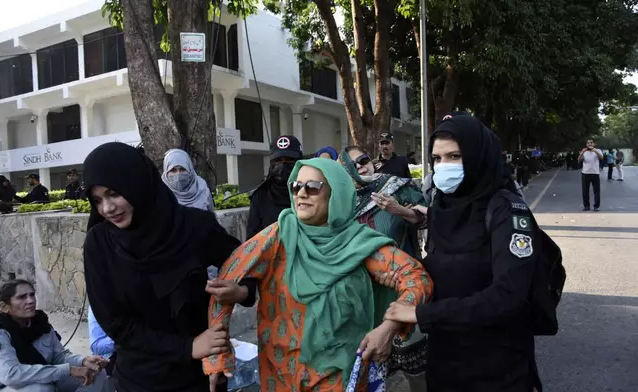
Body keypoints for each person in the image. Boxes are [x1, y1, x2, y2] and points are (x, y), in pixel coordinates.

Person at [203, 158, 433, 392]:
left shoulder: (359, 244)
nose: (301, 193)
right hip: (279, 375)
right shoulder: (278, 236)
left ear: (336, 193)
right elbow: (225, 281)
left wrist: (389, 326)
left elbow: (417, 278)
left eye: (312, 187)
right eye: (296, 186)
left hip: (338, 377)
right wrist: (217, 355)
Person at [384, 115, 542, 392]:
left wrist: (423, 314)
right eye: (437, 159)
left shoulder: (507, 211)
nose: (443, 167)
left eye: (454, 156)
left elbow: (507, 296)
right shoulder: (444, 207)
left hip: (497, 367)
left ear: (478, 155)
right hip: (445, 361)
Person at [82, 142, 257, 392]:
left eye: (114, 193)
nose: (107, 209)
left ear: (137, 183)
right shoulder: (99, 243)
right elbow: (115, 323)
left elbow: (246, 261)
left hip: (199, 377)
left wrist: (242, 292)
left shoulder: (194, 226)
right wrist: (187, 347)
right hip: (138, 379)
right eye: (97, 200)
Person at [339, 147, 429, 388]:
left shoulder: (396, 187)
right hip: (366, 296)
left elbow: (426, 219)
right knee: (375, 369)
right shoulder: (341, 203)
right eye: (353, 165)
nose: (361, 167)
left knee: (416, 373)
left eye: (364, 160)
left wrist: (397, 210)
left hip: (405, 286)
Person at [0, 280, 108, 392]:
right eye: (22, 297)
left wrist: (83, 361)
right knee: (41, 389)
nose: (30, 301)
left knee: (95, 373)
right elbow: (11, 375)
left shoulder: (40, 323)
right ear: (5, 307)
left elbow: (58, 356)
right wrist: (68, 370)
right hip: (6, 386)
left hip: (45, 377)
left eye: (32, 295)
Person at [246, 135, 303, 239]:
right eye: (278, 160)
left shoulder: (309, 192)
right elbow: (251, 241)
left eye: (290, 160)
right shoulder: (260, 196)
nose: (283, 165)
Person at [578, 140, 603, 211]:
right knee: (585, 191)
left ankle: (596, 206)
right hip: (585, 173)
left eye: (591, 143)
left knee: (596, 191)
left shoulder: (598, 150)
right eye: (588, 143)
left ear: (594, 144)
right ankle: (586, 206)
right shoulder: (584, 151)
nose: (590, 144)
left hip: (595, 173)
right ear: (586, 144)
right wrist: (582, 152)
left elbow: (601, 158)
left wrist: (595, 151)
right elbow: (579, 160)